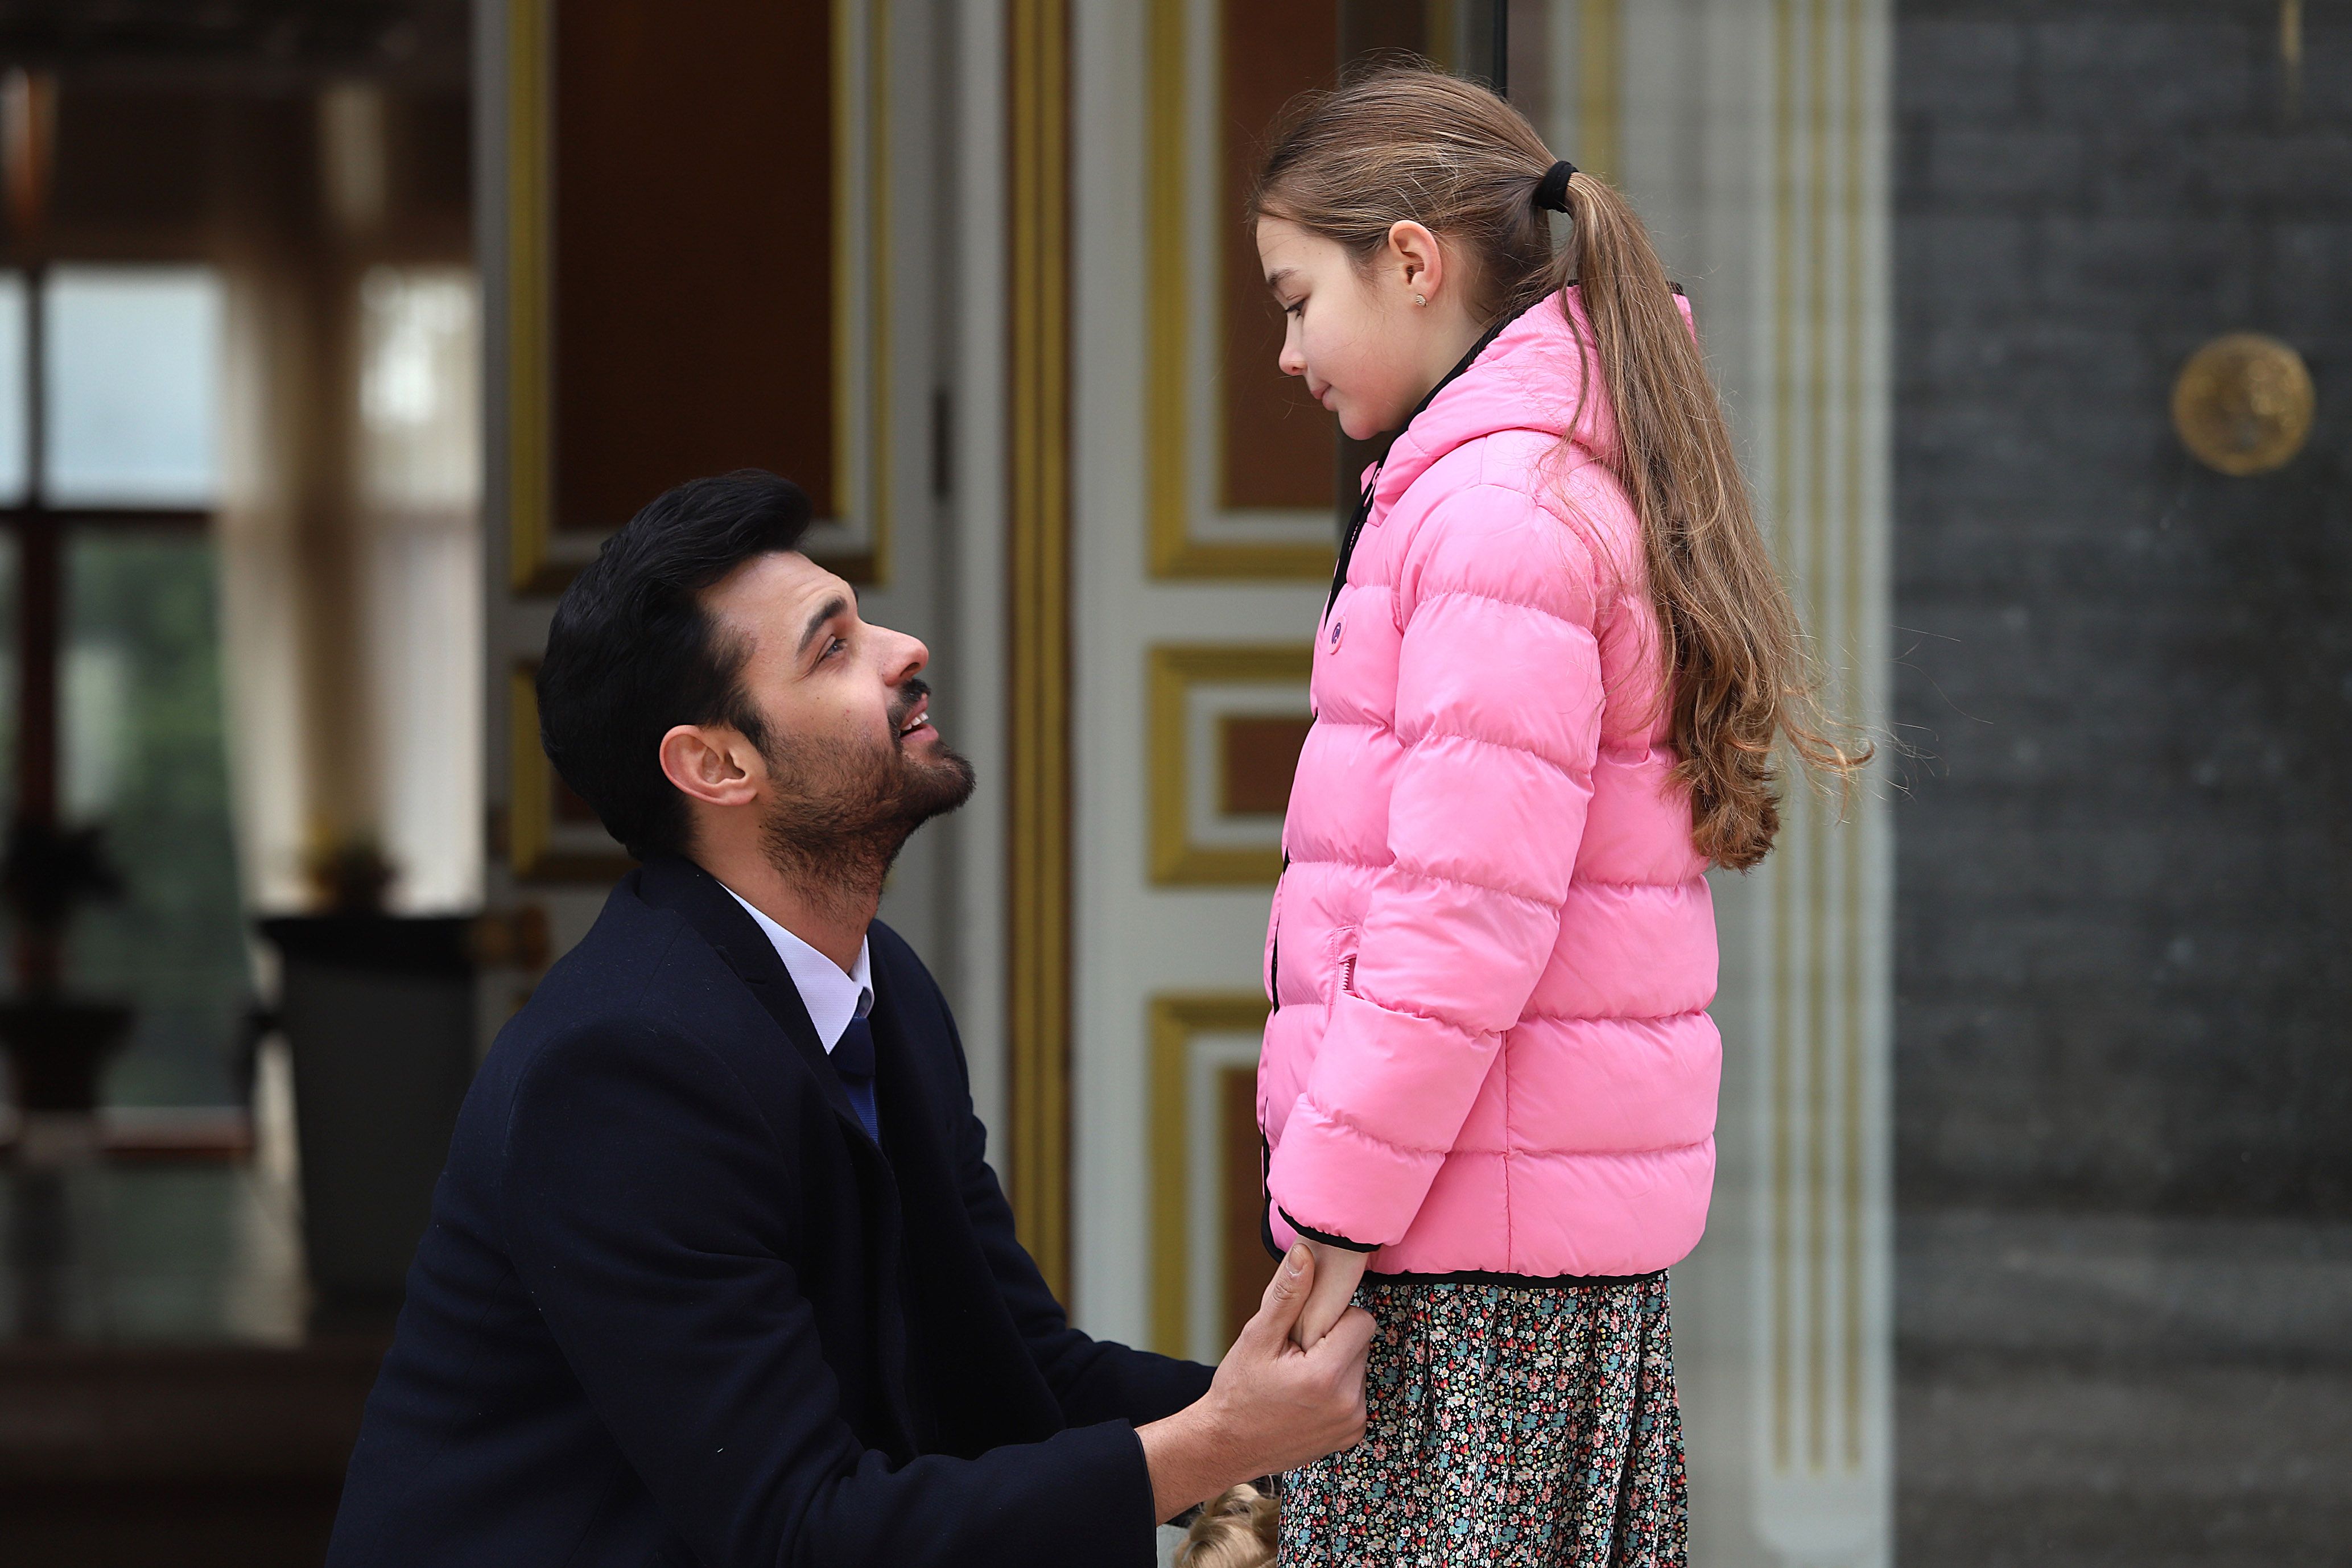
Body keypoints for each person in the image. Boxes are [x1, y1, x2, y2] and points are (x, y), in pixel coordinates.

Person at [324, 471, 1374, 1567]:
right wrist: (1218, 1444)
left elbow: (1011, 1368)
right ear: (718, 765)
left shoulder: (885, 989)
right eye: (832, 648)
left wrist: (1330, 1424)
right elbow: (800, 1533)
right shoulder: (621, 1071)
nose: (905, 648)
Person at [1247, 68, 1862, 1565]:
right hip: (1505, 1256)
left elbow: (1458, 924)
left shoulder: (1490, 520)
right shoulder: (1505, 494)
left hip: (1468, 1285)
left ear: (1407, 261)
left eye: (1291, 298)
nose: (1281, 354)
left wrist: (1322, 1226)